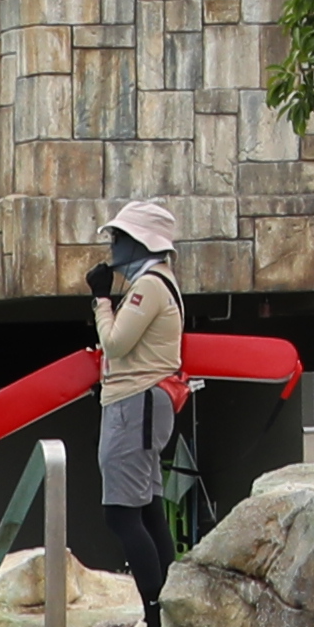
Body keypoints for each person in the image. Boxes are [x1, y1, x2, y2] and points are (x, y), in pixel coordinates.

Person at [85, 198, 188, 587]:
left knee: (122, 515)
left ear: (140, 242)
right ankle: (164, 608)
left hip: (135, 402)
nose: (112, 247)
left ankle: (153, 616)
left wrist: (101, 300)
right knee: (147, 511)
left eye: (119, 238)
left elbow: (115, 343)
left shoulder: (149, 285)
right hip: (144, 401)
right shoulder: (158, 282)